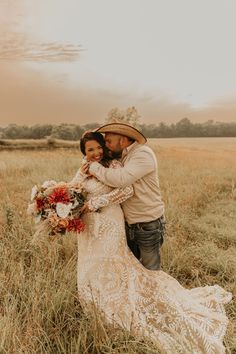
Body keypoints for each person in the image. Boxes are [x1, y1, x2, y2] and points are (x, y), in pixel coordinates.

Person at [71, 131, 232, 353]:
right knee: (105, 268)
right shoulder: (92, 165)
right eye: (92, 149)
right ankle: (104, 306)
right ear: (84, 151)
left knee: (147, 271)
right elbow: (75, 189)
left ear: (122, 139)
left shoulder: (129, 159)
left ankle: (158, 306)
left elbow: (124, 187)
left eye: (103, 145)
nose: (99, 150)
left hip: (132, 222)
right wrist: (66, 202)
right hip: (97, 227)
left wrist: (95, 199)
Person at [83, 122, 165, 271]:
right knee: (133, 271)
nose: (106, 145)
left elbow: (122, 179)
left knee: (151, 271)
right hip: (127, 224)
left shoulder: (142, 154)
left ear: (122, 140)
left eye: (108, 141)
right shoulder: (121, 156)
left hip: (147, 223)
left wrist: (94, 168)